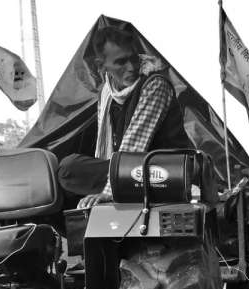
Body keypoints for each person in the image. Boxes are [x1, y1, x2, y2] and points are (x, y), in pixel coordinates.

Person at [58, 26, 190, 209]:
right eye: (121, 62)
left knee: (72, 170)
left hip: (166, 171)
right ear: (101, 66)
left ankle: (121, 188)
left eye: (133, 59)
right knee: (69, 169)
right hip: (131, 171)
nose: (131, 67)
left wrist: (108, 192)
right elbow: (108, 152)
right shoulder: (106, 93)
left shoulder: (155, 84)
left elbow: (133, 147)